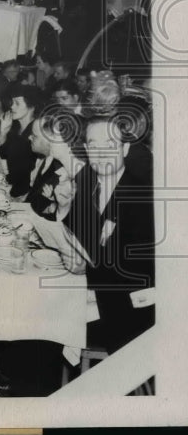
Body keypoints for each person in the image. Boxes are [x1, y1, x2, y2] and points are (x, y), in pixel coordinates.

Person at [62, 115, 155, 354]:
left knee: (43, 313)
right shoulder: (87, 180)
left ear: (124, 149)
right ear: (85, 149)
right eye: (94, 145)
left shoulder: (142, 197)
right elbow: (80, 236)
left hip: (124, 311)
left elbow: (137, 274)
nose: (101, 153)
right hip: (91, 289)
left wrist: (86, 268)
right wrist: (64, 207)